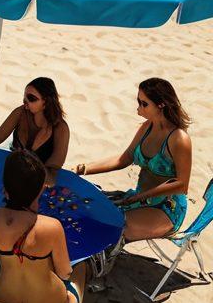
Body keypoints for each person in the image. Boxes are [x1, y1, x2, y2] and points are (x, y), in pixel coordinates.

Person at [0, 150, 84, 303]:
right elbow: (64, 272)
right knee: (79, 275)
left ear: (6, 189)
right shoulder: (52, 226)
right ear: (40, 189)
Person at [76, 78, 192, 244]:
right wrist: (83, 169)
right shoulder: (147, 127)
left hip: (165, 209)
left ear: (161, 105)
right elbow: (124, 159)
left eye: (144, 103)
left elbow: (182, 184)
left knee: (113, 226)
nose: (138, 108)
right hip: (137, 198)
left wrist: (141, 197)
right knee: (88, 211)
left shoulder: (179, 138)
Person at [0, 79, 70, 184]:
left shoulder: (60, 129)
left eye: (31, 98)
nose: (25, 102)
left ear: (46, 102)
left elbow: (51, 176)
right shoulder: (21, 113)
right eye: (24, 98)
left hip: (38, 181)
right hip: (13, 168)